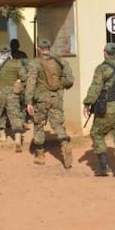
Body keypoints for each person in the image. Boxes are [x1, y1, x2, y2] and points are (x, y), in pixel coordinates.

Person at [82, 42, 115, 178]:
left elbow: (95, 88)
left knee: (96, 133)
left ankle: (104, 165)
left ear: (105, 52)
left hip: (107, 107)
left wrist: (87, 103)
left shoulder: (101, 68)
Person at [25, 38, 74, 167]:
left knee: (39, 125)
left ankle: (40, 156)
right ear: (50, 48)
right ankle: (65, 144)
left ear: (39, 49)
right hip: (56, 98)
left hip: (41, 99)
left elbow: (31, 83)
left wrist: (28, 101)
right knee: (58, 125)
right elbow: (69, 80)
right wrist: (60, 86)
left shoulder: (35, 63)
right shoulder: (59, 61)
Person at [0, 44, 28, 150]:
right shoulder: (17, 63)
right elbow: (24, 78)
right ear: (9, 53)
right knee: (15, 115)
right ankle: (17, 139)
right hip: (13, 93)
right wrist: (19, 81)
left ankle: (3, 137)